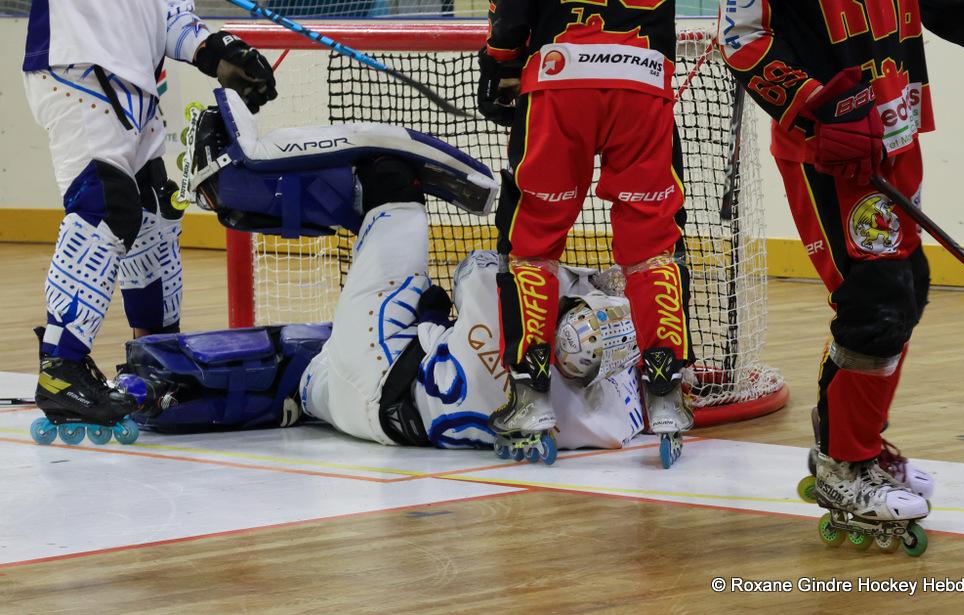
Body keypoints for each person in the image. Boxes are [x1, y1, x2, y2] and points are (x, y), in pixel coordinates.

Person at [116, 90, 647, 457]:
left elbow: (478, 271)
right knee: (305, 355)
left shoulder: (563, 368)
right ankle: (157, 387)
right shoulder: (609, 422)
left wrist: (533, 223)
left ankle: (237, 172)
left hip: (382, 364)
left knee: (391, 182)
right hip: (366, 411)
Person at [718, 0, 964, 555]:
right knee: (875, 300)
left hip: (894, 128)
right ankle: (845, 464)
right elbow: (742, 38)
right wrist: (817, 107)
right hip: (829, 147)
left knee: (905, 288)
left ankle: (858, 448)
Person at [24, 1, 277, 446]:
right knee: (104, 207)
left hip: (136, 84)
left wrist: (218, 50)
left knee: (152, 213)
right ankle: (61, 367)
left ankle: (158, 359)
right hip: (78, 65)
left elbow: (170, 18)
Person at [477, 0, 693, 467]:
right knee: (653, 243)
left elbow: (512, 14)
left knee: (531, 243)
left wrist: (499, 62)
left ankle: (530, 396)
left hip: (561, 80)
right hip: (642, 80)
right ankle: (666, 394)